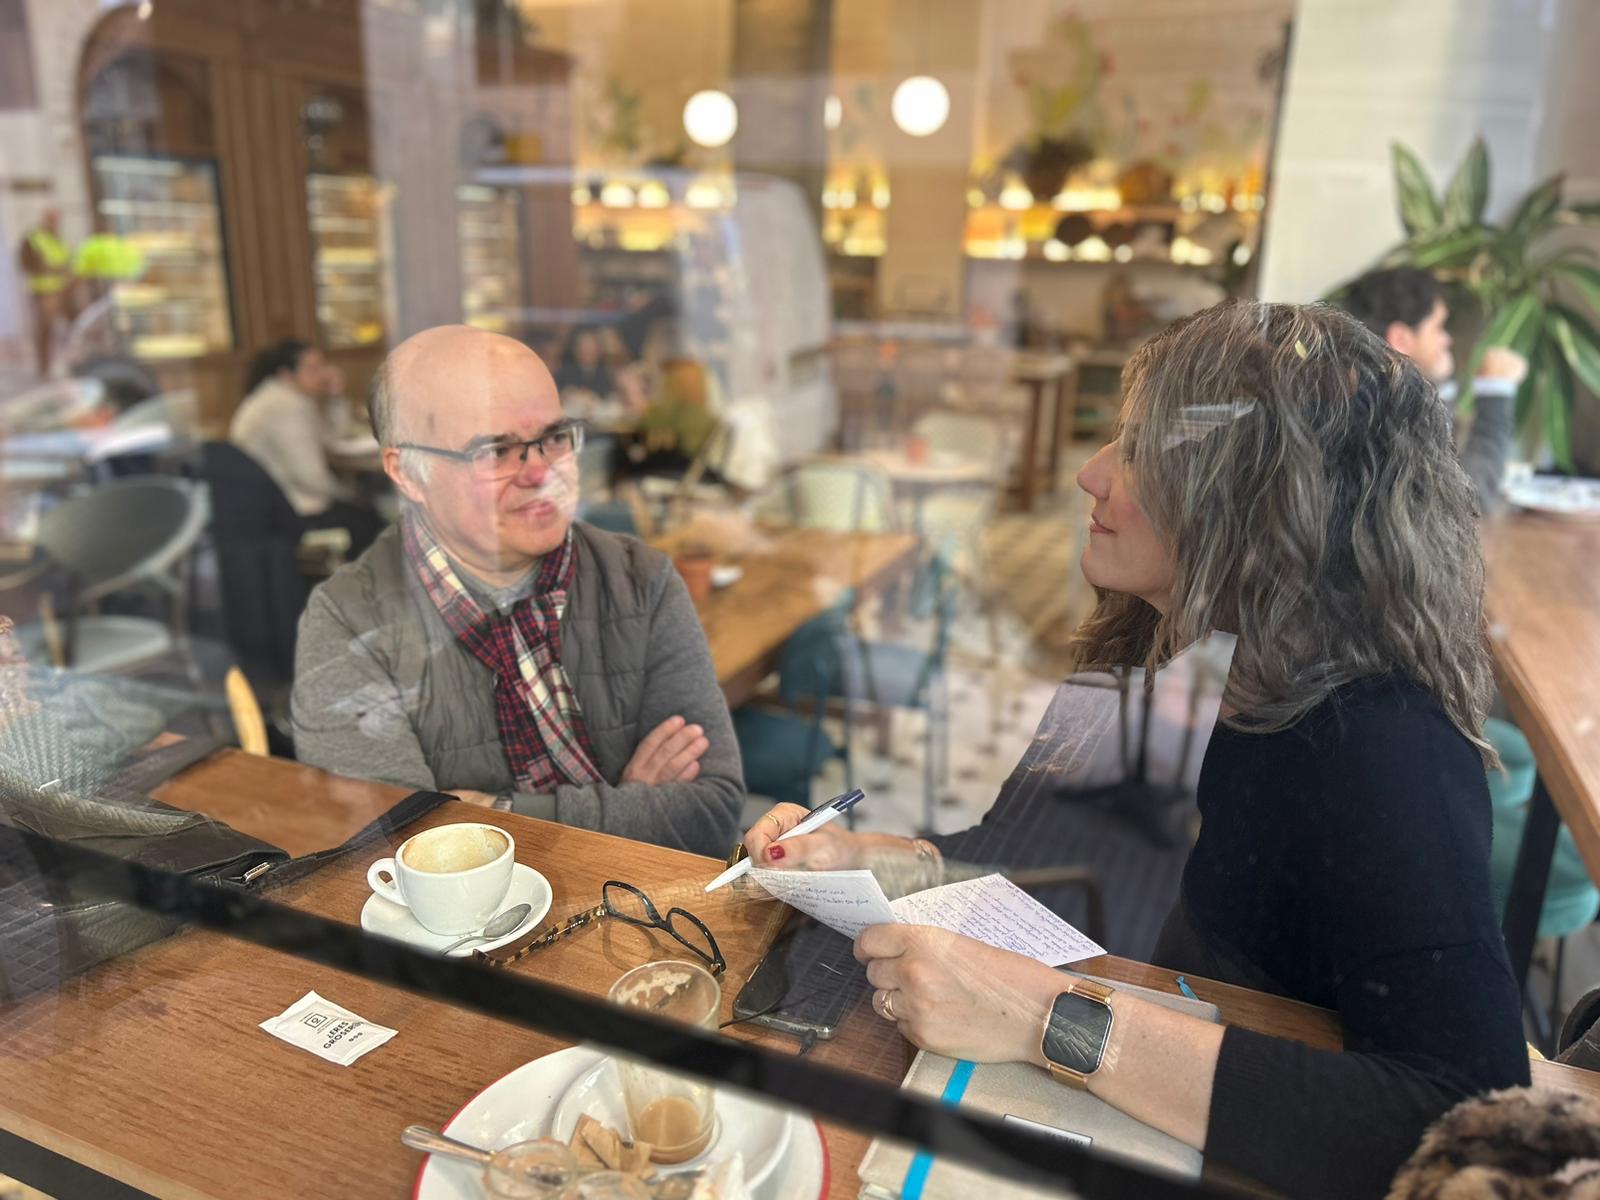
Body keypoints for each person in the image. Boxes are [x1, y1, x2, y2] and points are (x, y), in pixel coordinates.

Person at [740, 301, 1530, 1200]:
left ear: (1253, 501)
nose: (1088, 474)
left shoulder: (1385, 745)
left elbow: (1468, 1120)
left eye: (1140, 451)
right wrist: (882, 864)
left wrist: (1045, 1017)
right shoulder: (1143, 647)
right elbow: (1030, 857)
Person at [290, 325, 743, 856]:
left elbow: (711, 813)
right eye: (496, 450)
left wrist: (491, 812)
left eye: (554, 438)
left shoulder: (639, 578)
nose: (540, 472)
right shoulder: (346, 621)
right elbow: (396, 852)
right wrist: (629, 801)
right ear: (407, 473)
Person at [1340, 266, 1527, 511]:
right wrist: (1496, 392)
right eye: (1438, 327)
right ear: (1401, 338)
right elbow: (1464, 503)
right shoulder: (1381, 412)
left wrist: (1440, 380)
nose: (1446, 339)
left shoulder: (1356, 394)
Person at [230, 339, 383, 555]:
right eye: (312, 368)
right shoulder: (284, 406)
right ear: (286, 375)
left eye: (322, 365)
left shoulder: (285, 397)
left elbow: (333, 438)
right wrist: (350, 494)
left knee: (366, 512)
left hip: (273, 506)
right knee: (368, 519)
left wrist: (335, 396)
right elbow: (311, 476)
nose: (322, 374)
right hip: (291, 510)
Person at [17, 208, 71, 378]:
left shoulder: (58, 238)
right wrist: (55, 270)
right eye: (52, 219)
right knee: (45, 330)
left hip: (63, 288)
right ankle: (43, 368)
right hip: (44, 291)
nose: (55, 223)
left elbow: (66, 259)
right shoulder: (33, 239)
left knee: (71, 326)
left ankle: (68, 363)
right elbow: (29, 265)